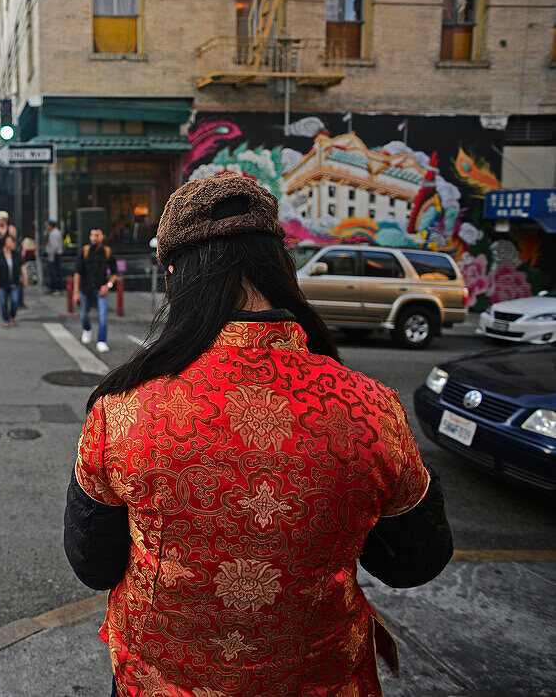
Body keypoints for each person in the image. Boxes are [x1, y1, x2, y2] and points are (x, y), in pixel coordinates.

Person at [63, 172, 452, 697]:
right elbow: (414, 562)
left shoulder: (123, 412)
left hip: (159, 680)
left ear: (176, 275)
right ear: (279, 268)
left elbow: (93, 563)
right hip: (323, 679)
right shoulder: (371, 409)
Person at [72, 227, 117, 353]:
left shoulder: (107, 252)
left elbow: (115, 274)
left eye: (97, 235)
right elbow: (77, 273)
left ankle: (101, 341)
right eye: (92, 235)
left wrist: (107, 286)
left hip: (100, 290)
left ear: (102, 236)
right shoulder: (85, 251)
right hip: (85, 289)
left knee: (102, 316)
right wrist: (75, 292)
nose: (94, 238)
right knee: (83, 315)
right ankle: (87, 329)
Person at [0, 233, 26, 327]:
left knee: (15, 301)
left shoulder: (16, 254)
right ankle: (6, 319)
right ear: (5, 243)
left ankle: (13, 315)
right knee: (3, 302)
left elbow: (22, 266)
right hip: (2, 283)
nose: (13, 243)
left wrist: (24, 278)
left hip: (14, 282)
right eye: (10, 241)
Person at [45, 219, 64, 293]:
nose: (47, 227)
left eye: (48, 225)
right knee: (53, 272)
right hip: (54, 254)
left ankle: (57, 288)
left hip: (55, 255)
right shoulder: (54, 232)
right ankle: (53, 287)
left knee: (55, 272)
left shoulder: (55, 233)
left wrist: (51, 257)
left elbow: (54, 246)